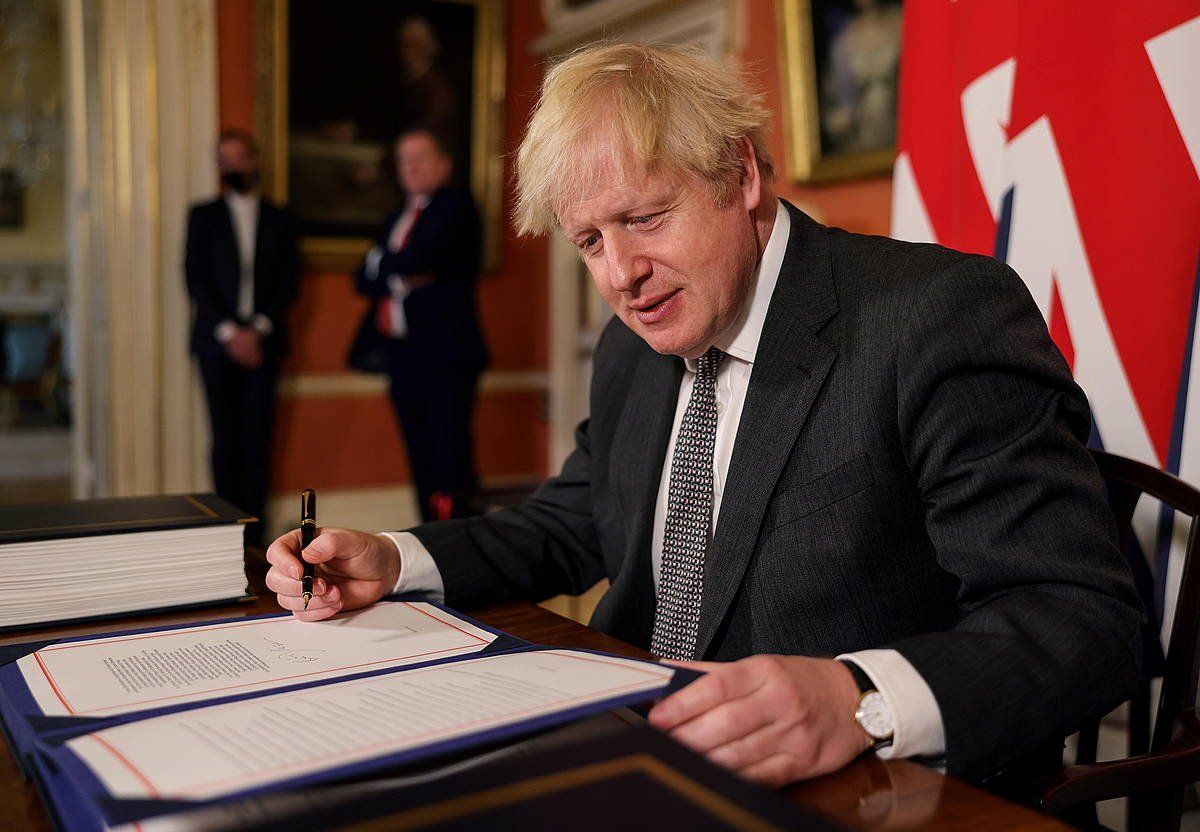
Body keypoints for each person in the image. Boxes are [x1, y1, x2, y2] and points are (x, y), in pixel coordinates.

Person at [266, 44, 1141, 787]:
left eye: (645, 218)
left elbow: (1080, 612)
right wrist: (394, 557)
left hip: (869, 786)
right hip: (643, 751)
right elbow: (576, 523)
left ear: (742, 174)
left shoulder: (932, 316)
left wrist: (859, 697)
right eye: (590, 242)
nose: (620, 275)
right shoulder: (634, 344)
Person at [351, 129, 488, 521]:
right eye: (402, 159)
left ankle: (457, 542)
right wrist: (400, 273)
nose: (409, 167)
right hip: (402, 354)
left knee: (449, 456)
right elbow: (363, 279)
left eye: (419, 158)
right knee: (419, 454)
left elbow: (417, 259)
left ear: (443, 163)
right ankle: (430, 539)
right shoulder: (396, 215)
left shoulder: (457, 206)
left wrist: (387, 264)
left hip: (446, 355)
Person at [186, 129, 298, 547]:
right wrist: (232, 333)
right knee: (224, 442)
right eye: (223, 159)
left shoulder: (280, 218)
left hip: (265, 343)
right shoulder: (203, 216)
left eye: (238, 157)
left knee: (258, 442)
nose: (231, 166)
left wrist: (258, 330)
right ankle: (223, 536)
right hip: (215, 345)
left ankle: (258, 540)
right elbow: (195, 278)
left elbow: (289, 282)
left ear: (254, 160)